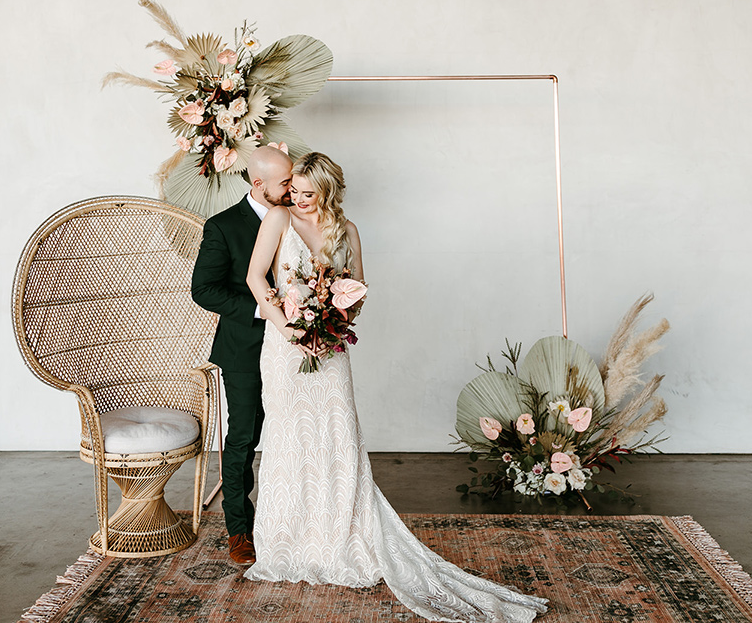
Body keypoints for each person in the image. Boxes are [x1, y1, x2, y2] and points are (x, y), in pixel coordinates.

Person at [244, 152, 549, 622]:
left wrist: (329, 326)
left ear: (328, 192)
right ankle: (289, 539)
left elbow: (358, 288)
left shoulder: (348, 231)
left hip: (328, 349)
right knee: (288, 439)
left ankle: (338, 535)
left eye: (309, 193)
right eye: (294, 191)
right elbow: (255, 278)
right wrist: (291, 331)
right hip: (285, 349)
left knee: (336, 436)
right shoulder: (279, 219)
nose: (298, 199)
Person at [191, 145, 293, 566]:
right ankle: (239, 531)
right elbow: (204, 290)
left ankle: (290, 520)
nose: (293, 189)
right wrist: (264, 309)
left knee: (292, 432)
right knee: (243, 440)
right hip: (244, 348)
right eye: (285, 183)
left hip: (292, 347)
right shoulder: (223, 226)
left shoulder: (297, 215)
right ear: (258, 184)